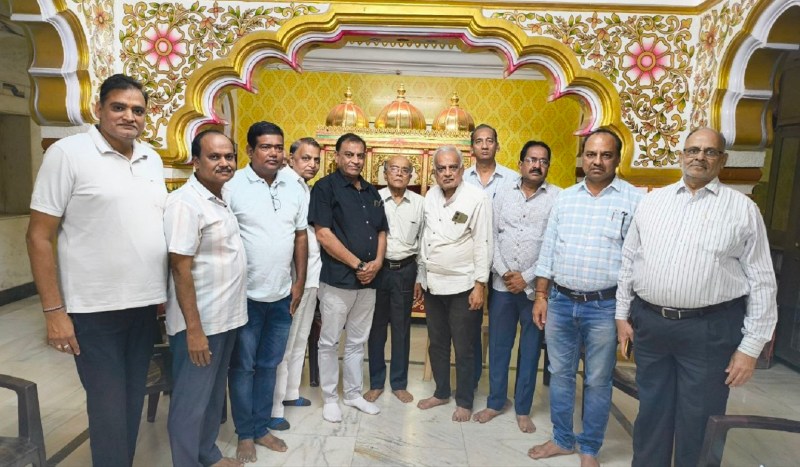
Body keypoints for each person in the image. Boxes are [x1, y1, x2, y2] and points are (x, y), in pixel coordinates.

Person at [615, 127, 778, 467]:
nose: (699, 157)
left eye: (709, 151)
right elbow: (629, 261)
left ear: (723, 160)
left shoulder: (743, 210)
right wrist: (621, 315)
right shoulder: (652, 202)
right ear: (681, 156)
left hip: (710, 329)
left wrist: (750, 348)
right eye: (692, 150)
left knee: (700, 418)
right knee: (652, 411)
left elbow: (762, 280)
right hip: (652, 324)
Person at [26, 74, 167, 466]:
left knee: (131, 401)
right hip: (93, 310)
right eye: (118, 107)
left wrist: (162, 296)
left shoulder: (151, 158)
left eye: (137, 110)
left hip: (143, 308)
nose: (129, 116)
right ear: (98, 109)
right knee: (108, 409)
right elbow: (38, 236)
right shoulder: (68, 154)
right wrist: (54, 312)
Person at [529, 128, 642, 467]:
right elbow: (548, 250)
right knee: (560, 373)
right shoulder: (565, 198)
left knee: (597, 379)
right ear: (583, 157)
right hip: (561, 302)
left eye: (605, 155)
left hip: (605, 307)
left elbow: (636, 261)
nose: (597, 161)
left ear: (618, 159)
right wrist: (541, 295)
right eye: (591, 154)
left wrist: (625, 313)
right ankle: (563, 439)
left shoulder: (635, 201)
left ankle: (590, 447)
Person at [225, 121, 308, 462]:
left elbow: (300, 235)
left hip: (281, 295)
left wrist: (299, 282)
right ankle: (245, 433)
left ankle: (261, 428)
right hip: (244, 297)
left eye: (278, 147)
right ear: (250, 150)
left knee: (269, 365)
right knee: (243, 367)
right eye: (265, 146)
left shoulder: (294, 187)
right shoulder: (232, 186)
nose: (273, 153)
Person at [164, 130, 246, 467]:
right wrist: (194, 330)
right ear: (196, 162)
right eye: (214, 157)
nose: (224, 163)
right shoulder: (185, 203)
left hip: (225, 319)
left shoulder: (220, 198)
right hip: (200, 323)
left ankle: (207, 455)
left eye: (229, 156)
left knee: (212, 396)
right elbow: (180, 268)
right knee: (190, 402)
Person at [473, 140, 561, 433]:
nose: (537, 165)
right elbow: (491, 235)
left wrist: (527, 276)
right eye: (532, 160)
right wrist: (504, 272)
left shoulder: (557, 198)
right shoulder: (501, 194)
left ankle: (523, 408)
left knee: (531, 349)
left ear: (548, 166)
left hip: (537, 291)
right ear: (521, 164)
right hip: (502, 286)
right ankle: (495, 402)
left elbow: (553, 245)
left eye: (543, 161)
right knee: (499, 347)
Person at [308, 132, 388, 422]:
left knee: (357, 340)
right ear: (337, 156)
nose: (355, 160)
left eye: (360, 155)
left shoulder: (371, 191)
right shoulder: (324, 188)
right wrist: (358, 265)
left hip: (369, 281)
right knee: (329, 341)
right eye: (349, 154)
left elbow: (382, 231)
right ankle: (330, 398)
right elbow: (323, 234)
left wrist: (377, 263)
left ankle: (353, 394)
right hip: (338, 280)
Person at [416, 145, 492, 422]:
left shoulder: (477, 198)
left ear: (462, 169)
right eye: (441, 168)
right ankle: (441, 392)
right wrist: (421, 276)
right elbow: (425, 238)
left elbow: (484, 242)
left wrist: (480, 285)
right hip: (433, 284)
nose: (447, 173)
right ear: (434, 172)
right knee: (437, 343)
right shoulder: (430, 196)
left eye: (452, 167)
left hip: (464, 286)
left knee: (464, 346)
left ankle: (464, 400)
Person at [270, 137, 322, 428]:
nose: (312, 164)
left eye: (316, 160)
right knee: (286, 343)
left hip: (312, 276)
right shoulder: (283, 185)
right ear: (290, 159)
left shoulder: (304, 186)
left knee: (301, 338)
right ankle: (275, 407)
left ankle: (290, 393)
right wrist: (297, 280)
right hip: (294, 278)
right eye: (305, 158)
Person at [364, 156, 424, 404]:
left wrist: (420, 276)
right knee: (376, 328)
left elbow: (424, 242)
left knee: (401, 328)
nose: (399, 174)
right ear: (385, 173)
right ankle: (376, 382)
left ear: (411, 176)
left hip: (406, 270)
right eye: (394, 169)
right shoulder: (373, 199)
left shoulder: (420, 203)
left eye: (405, 170)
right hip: (378, 271)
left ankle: (399, 383)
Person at [463, 124, 519, 386]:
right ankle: (472, 379)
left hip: (502, 268)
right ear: (471, 147)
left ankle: (497, 386)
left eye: (489, 141)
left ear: (498, 145)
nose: (484, 145)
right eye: (479, 141)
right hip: (469, 264)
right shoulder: (462, 177)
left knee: (499, 330)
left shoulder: (513, 179)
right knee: (469, 325)